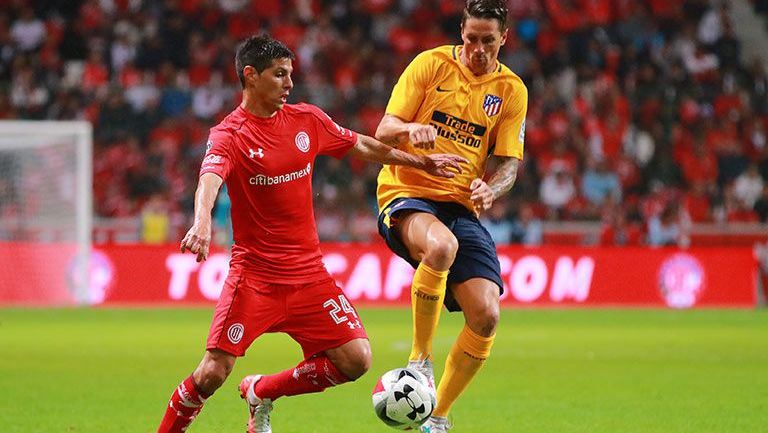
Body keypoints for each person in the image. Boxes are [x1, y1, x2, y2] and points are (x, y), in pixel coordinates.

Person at [156, 34, 467, 433]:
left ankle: (262, 391)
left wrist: (422, 163)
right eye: (279, 75)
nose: (289, 83)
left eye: (291, 74)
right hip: (256, 278)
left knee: (356, 360)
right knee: (214, 371)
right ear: (250, 76)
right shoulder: (230, 134)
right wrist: (201, 221)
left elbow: (365, 146)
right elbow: (209, 179)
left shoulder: (307, 120)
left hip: (310, 276)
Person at [374, 1, 528, 431]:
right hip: (408, 191)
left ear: (504, 39)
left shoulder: (512, 90)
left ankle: (436, 418)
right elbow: (383, 129)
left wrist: (490, 188)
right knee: (441, 246)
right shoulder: (430, 65)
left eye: (488, 41)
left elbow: (510, 165)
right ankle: (419, 361)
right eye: (471, 39)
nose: (478, 49)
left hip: (460, 206)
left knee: (487, 315)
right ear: (461, 33)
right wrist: (410, 130)